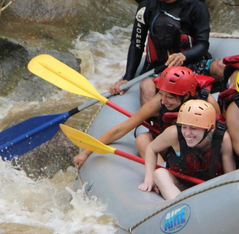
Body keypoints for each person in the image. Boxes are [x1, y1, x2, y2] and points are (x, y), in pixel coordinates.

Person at [109, 0, 211, 105]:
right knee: (146, 85)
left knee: (221, 67)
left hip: (192, 65)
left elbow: (203, 44)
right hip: (159, 69)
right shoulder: (146, 8)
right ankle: (151, 125)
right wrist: (127, 77)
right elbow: (136, 45)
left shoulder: (197, 8)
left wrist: (183, 56)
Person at [74, 66, 220, 169]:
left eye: (169, 97)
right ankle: (162, 172)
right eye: (161, 94)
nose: (163, 101)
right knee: (142, 139)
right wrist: (87, 152)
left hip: (201, 148)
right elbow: (122, 129)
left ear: (187, 95)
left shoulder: (207, 102)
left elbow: (220, 133)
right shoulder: (158, 102)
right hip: (171, 147)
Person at [139, 99, 235, 200]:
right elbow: (151, 149)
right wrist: (148, 179)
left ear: (210, 128)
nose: (187, 133)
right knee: (159, 174)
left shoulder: (222, 139)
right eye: (184, 127)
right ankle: (179, 208)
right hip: (181, 185)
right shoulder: (174, 134)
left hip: (210, 188)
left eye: (194, 128)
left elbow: (230, 176)